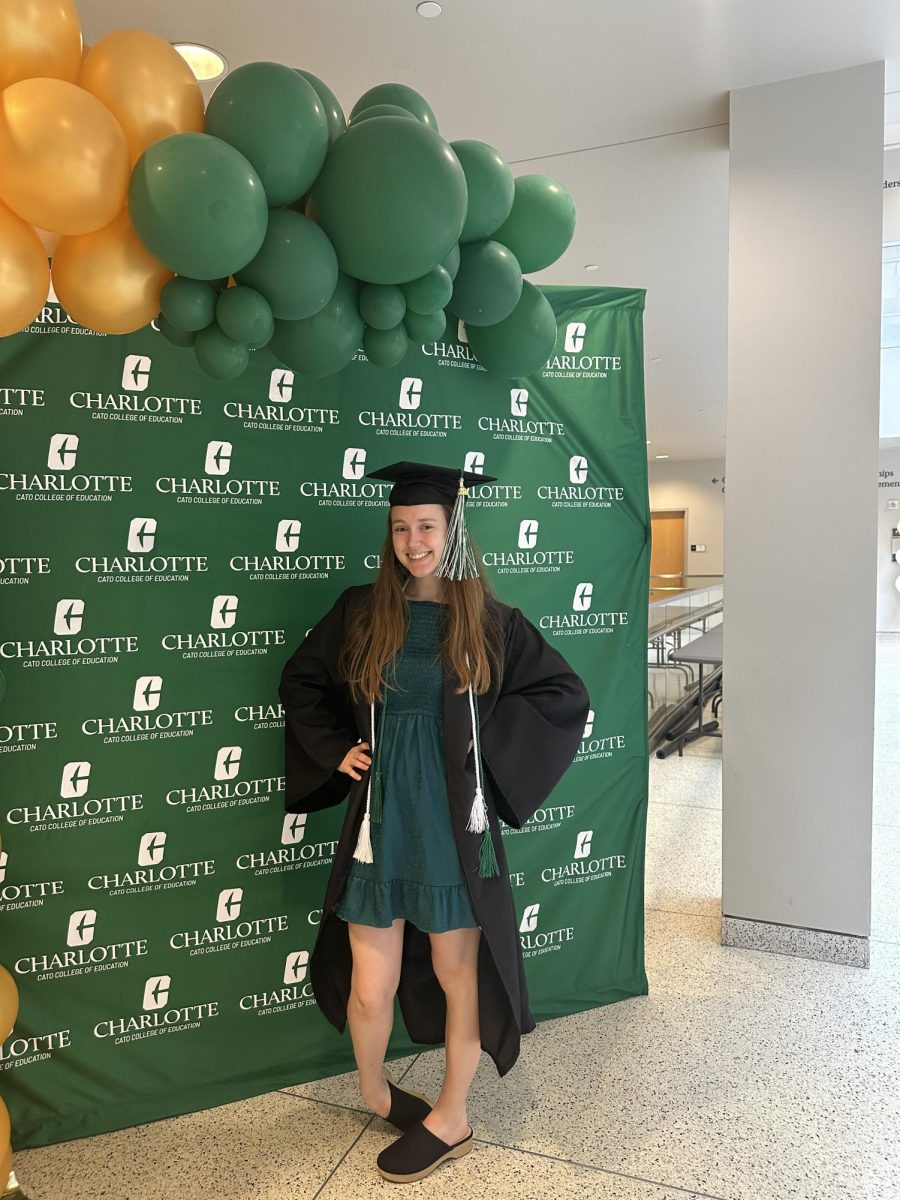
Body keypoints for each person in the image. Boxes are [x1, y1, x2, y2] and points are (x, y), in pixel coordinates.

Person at [279, 460, 589, 1184]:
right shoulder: (362, 610)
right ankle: (377, 1090)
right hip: (381, 822)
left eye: (427, 527)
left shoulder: (491, 623)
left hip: (455, 826)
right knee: (368, 984)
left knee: (458, 975)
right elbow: (301, 679)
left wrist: (489, 759)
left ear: (452, 532)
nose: (413, 541)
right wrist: (336, 750)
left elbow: (562, 695)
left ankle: (453, 1115)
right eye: (401, 528)